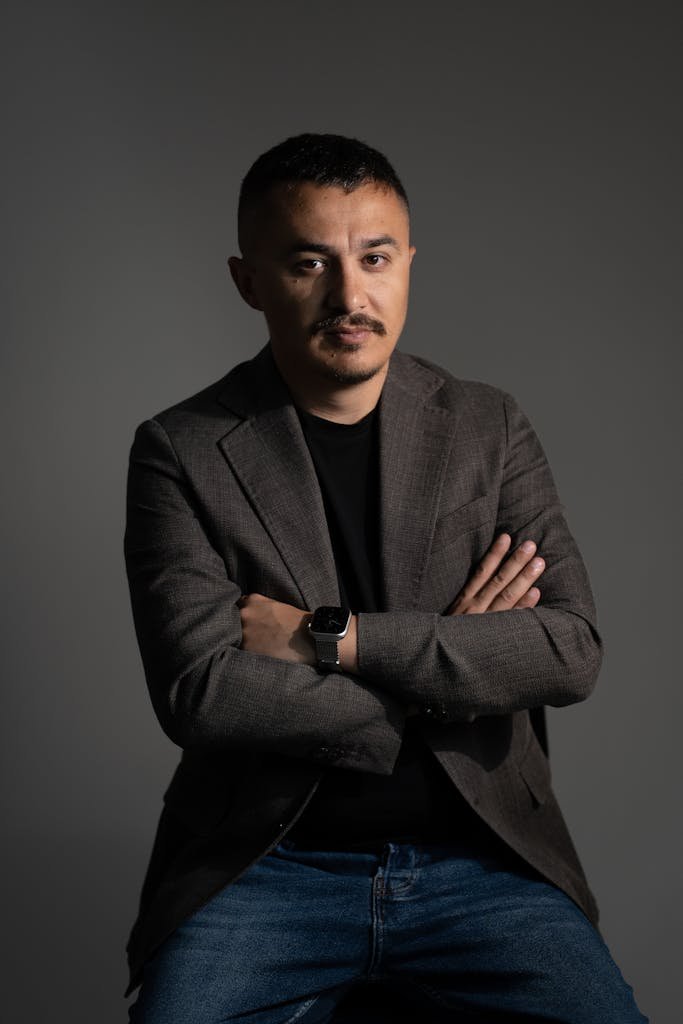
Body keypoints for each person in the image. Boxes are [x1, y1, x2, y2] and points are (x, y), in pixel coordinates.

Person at [124, 133, 646, 1022]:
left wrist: (332, 638)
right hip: (267, 871)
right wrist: (455, 671)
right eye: (307, 263)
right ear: (249, 280)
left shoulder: (487, 425)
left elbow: (568, 649)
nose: (349, 295)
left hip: (481, 865)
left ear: (408, 263)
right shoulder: (180, 448)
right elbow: (201, 690)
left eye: (373, 258)